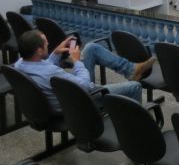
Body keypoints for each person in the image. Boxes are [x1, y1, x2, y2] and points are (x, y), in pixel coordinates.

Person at [14, 30, 155, 112]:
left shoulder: (20, 64)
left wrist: (55, 54)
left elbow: (42, 68)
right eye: (45, 43)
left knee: (91, 48)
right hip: (80, 100)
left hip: (68, 91)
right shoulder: (52, 72)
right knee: (135, 86)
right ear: (39, 51)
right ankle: (134, 126)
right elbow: (85, 86)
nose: (48, 44)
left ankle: (131, 70)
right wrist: (77, 62)